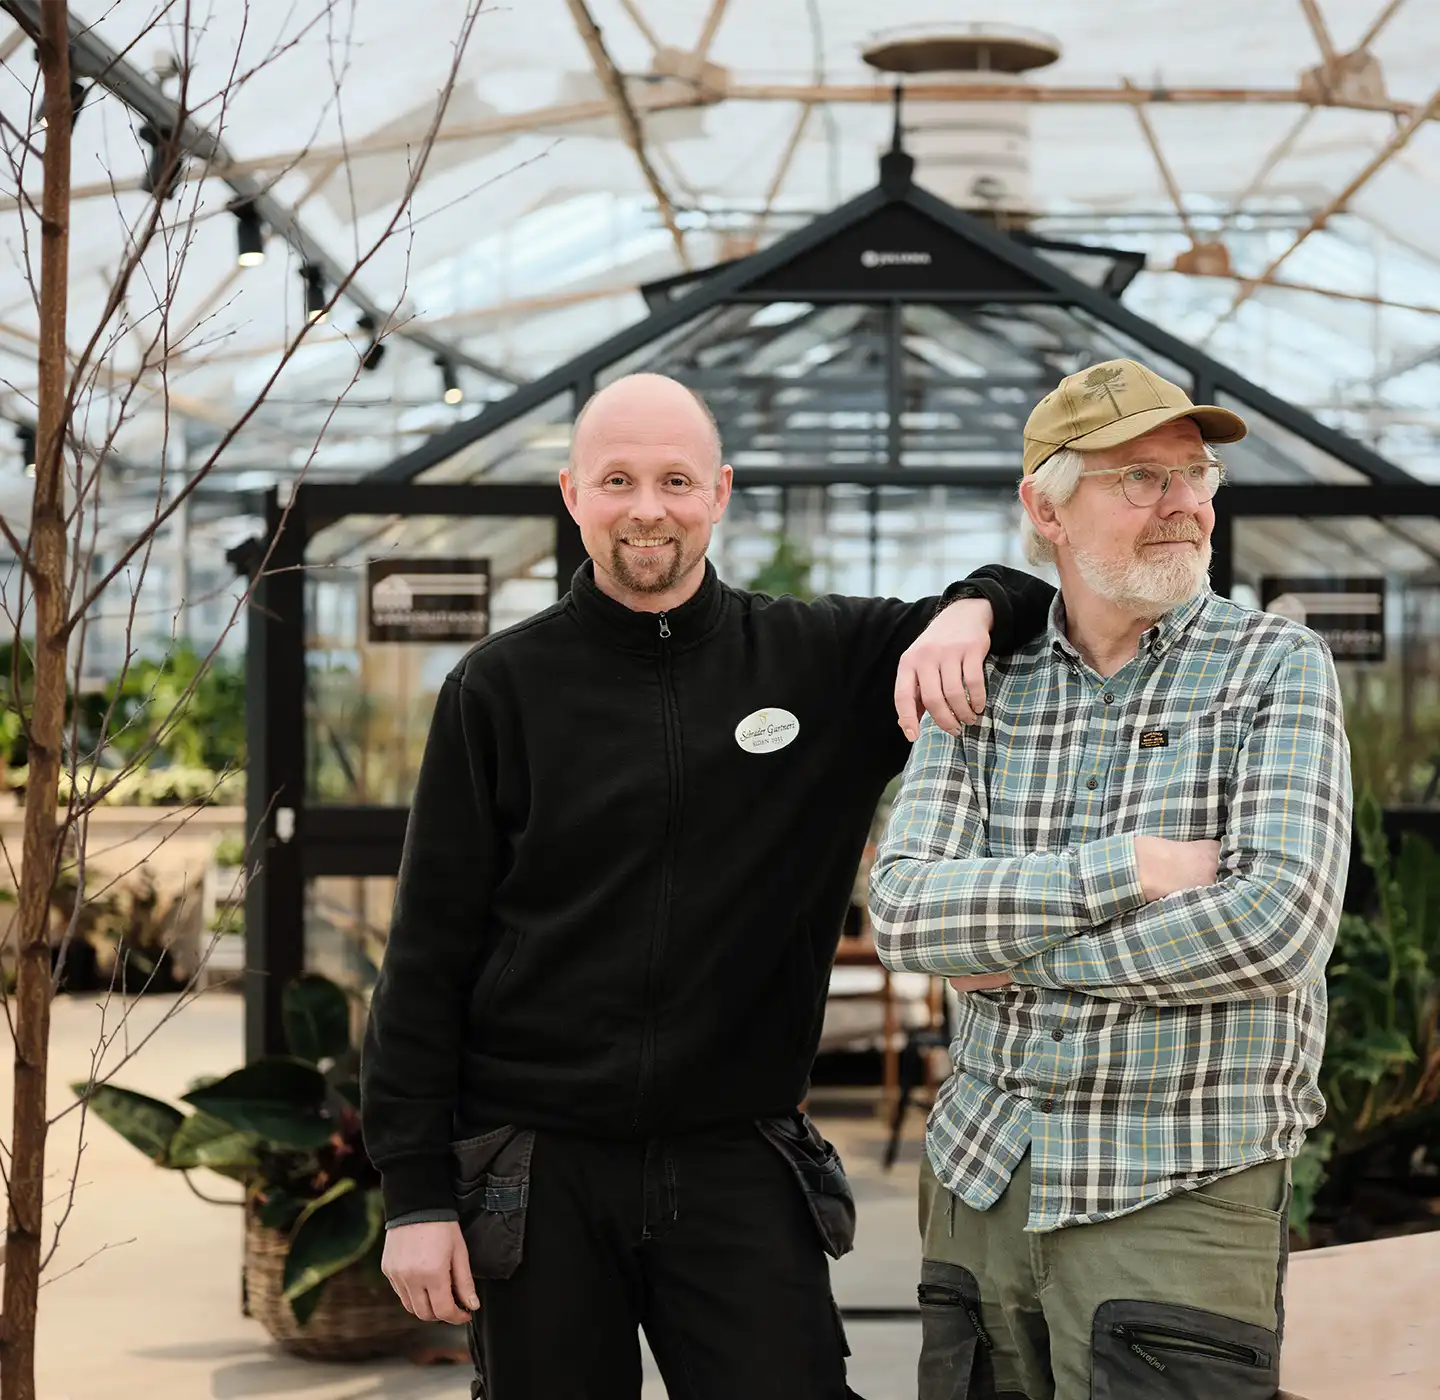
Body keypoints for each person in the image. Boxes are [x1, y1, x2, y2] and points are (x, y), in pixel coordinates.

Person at [358, 371, 1057, 1400]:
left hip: (737, 1153)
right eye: (620, 479)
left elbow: (1039, 598)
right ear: (572, 493)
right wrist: (416, 1197)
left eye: (677, 479)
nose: (650, 507)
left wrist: (969, 610)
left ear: (720, 492)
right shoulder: (499, 688)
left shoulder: (818, 660)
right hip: (539, 1164)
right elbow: (424, 957)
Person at [869, 358, 1353, 1400]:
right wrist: (1127, 869)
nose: (1186, 504)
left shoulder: (1274, 665)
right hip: (980, 1180)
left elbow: (1275, 925)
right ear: (1045, 506)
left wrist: (1011, 951)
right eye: (1143, 478)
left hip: (1178, 1188)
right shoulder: (983, 679)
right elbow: (905, 912)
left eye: (1197, 474)